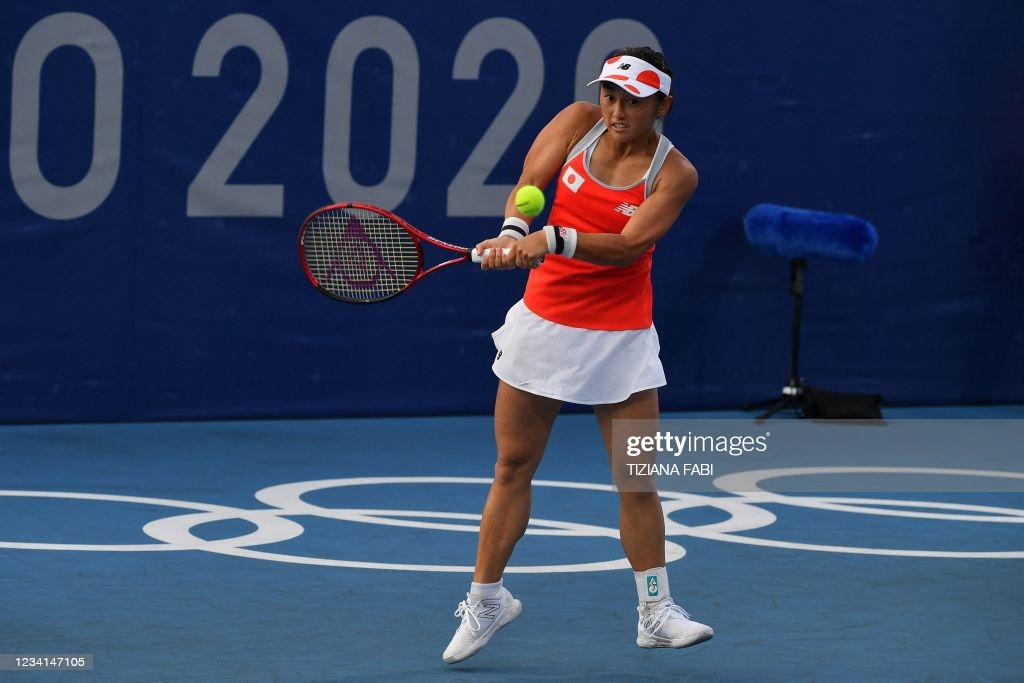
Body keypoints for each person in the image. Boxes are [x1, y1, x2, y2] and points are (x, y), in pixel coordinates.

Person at [442, 46, 713, 665]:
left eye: (634, 101)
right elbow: (528, 187)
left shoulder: (674, 174)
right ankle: (487, 601)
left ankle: (655, 611)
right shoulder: (575, 122)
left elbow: (628, 244)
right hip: (545, 324)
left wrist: (552, 238)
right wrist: (514, 233)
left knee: (636, 480)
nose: (617, 110)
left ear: (662, 106)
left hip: (620, 336)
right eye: (611, 95)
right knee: (513, 465)